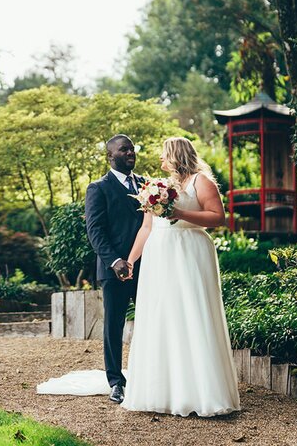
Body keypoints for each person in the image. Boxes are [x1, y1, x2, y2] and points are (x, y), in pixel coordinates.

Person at [120, 136, 240, 416]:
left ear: (176, 155)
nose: (160, 160)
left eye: (164, 154)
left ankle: (201, 392)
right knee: (163, 317)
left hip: (190, 251)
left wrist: (180, 212)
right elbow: (146, 228)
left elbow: (218, 217)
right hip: (160, 255)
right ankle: (162, 391)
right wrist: (131, 261)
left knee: (192, 313)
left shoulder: (202, 181)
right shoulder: (155, 186)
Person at [83, 134, 144, 404]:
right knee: (114, 325)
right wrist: (115, 260)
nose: (130, 152)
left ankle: (147, 376)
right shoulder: (99, 188)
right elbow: (95, 230)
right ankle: (116, 382)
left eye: (132, 149)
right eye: (124, 149)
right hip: (115, 269)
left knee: (151, 322)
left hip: (147, 267)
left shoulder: (147, 184)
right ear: (111, 156)